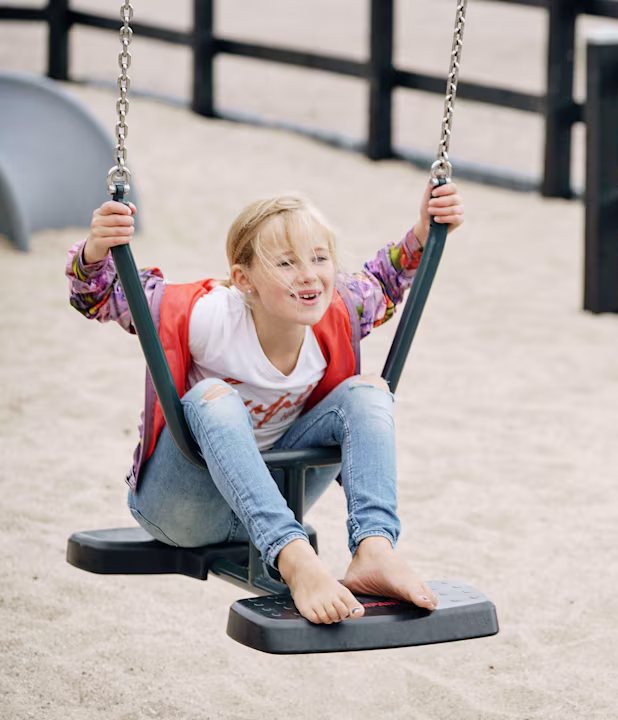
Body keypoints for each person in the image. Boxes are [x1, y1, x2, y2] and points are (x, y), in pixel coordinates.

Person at [66, 181, 465, 625]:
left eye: (319, 258)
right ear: (244, 280)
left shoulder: (339, 308)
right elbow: (98, 297)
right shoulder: (206, 318)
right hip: (185, 508)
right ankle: (296, 561)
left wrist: (425, 232)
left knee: (369, 390)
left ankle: (374, 548)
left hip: (279, 497)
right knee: (214, 398)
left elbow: (389, 277)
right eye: (286, 263)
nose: (310, 275)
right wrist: (98, 248)